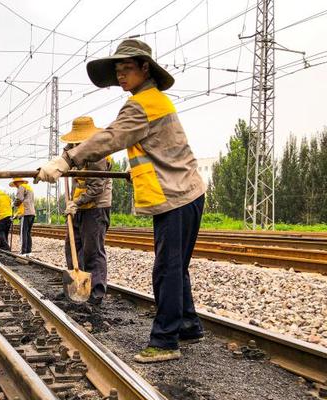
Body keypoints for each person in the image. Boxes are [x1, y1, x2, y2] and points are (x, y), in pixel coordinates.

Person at [36, 39, 206, 363]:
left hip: (176, 196)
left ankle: (165, 341)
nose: (121, 76)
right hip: (189, 192)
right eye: (118, 71)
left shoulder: (141, 104)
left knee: (166, 269)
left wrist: (65, 160)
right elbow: (155, 149)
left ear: (145, 68)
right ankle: (187, 324)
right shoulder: (156, 101)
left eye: (127, 68)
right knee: (176, 267)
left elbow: (110, 137)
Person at [58, 117, 113, 308]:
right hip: (78, 203)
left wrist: (76, 202)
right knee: (72, 246)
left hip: (96, 206)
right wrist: (55, 165)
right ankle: (76, 287)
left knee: (93, 250)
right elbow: (64, 159)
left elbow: (97, 187)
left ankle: (96, 291)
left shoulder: (97, 154)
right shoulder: (73, 148)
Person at [10, 178, 35, 256]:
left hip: (25, 213)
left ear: (18, 182)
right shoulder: (29, 187)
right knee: (28, 233)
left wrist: (13, 204)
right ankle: (28, 251)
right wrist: (16, 215)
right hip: (32, 213)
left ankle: (23, 252)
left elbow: (19, 199)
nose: (16, 186)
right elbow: (25, 202)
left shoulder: (21, 187)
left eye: (15, 184)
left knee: (23, 233)